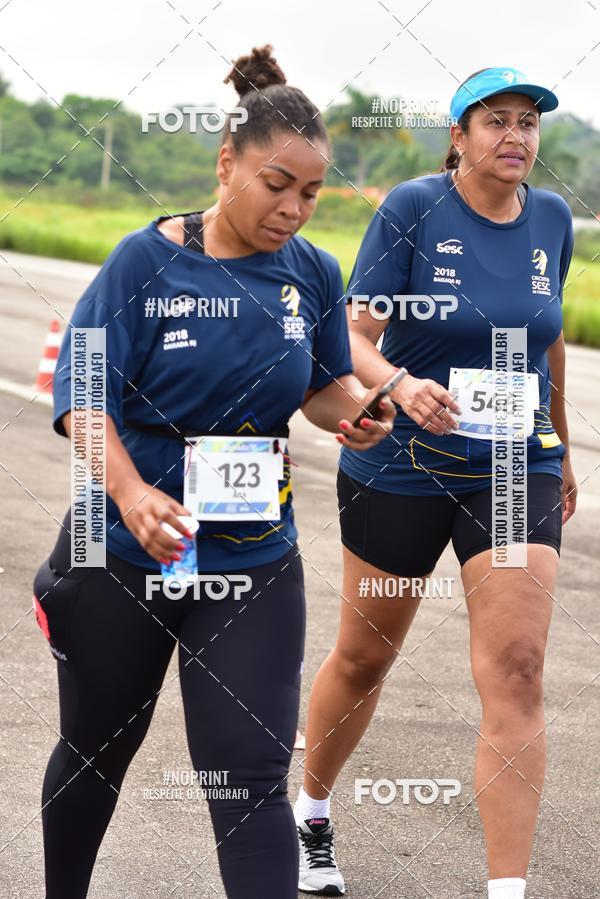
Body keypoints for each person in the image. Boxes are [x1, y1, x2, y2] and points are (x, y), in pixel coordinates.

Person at [32, 44, 395, 899]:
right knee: (95, 753)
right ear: (226, 162)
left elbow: (322, 382)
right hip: (119, 548)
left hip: (253, 556)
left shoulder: (312, 271)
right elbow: (82, 394)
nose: (296, 209)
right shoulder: (142, 263)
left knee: (247, 776)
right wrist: (129, 490)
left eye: (311, 191)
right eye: (278, 184)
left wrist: (355, 413)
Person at [295, 67, 576, 899]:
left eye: (527, 122)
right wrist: (398, 385)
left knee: (519, 666)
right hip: (402, 468)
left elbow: (548, 337)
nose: (515, 136)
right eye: (496, 121)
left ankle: (507, 889)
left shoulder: (553, 218)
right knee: (364, 656)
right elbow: (354, 331)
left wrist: (562, 441)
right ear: (459, 137)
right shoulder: (413, 209)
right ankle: (311, 808)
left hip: (516, 466)